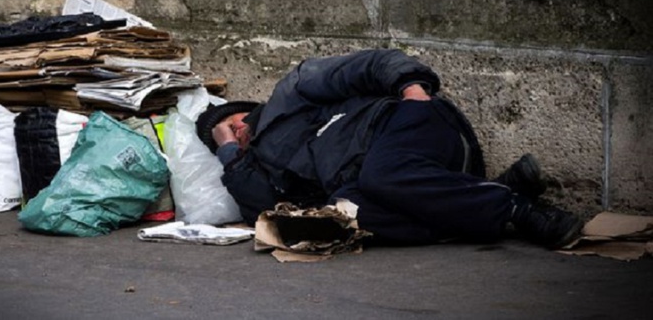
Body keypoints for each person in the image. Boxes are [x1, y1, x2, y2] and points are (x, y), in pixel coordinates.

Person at [196, 49, 584, 249]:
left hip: (405, 125)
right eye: (225, 136)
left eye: (232, 122)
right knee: (338, 218)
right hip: (395, 182)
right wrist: (230, 155)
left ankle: (518, 210)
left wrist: (412, 85)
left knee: (381, 173)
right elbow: (263, 214)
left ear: (246, 111)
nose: (236, 131)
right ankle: (493, 196)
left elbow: (368, 64)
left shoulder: (291, 93)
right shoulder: (261, 168)